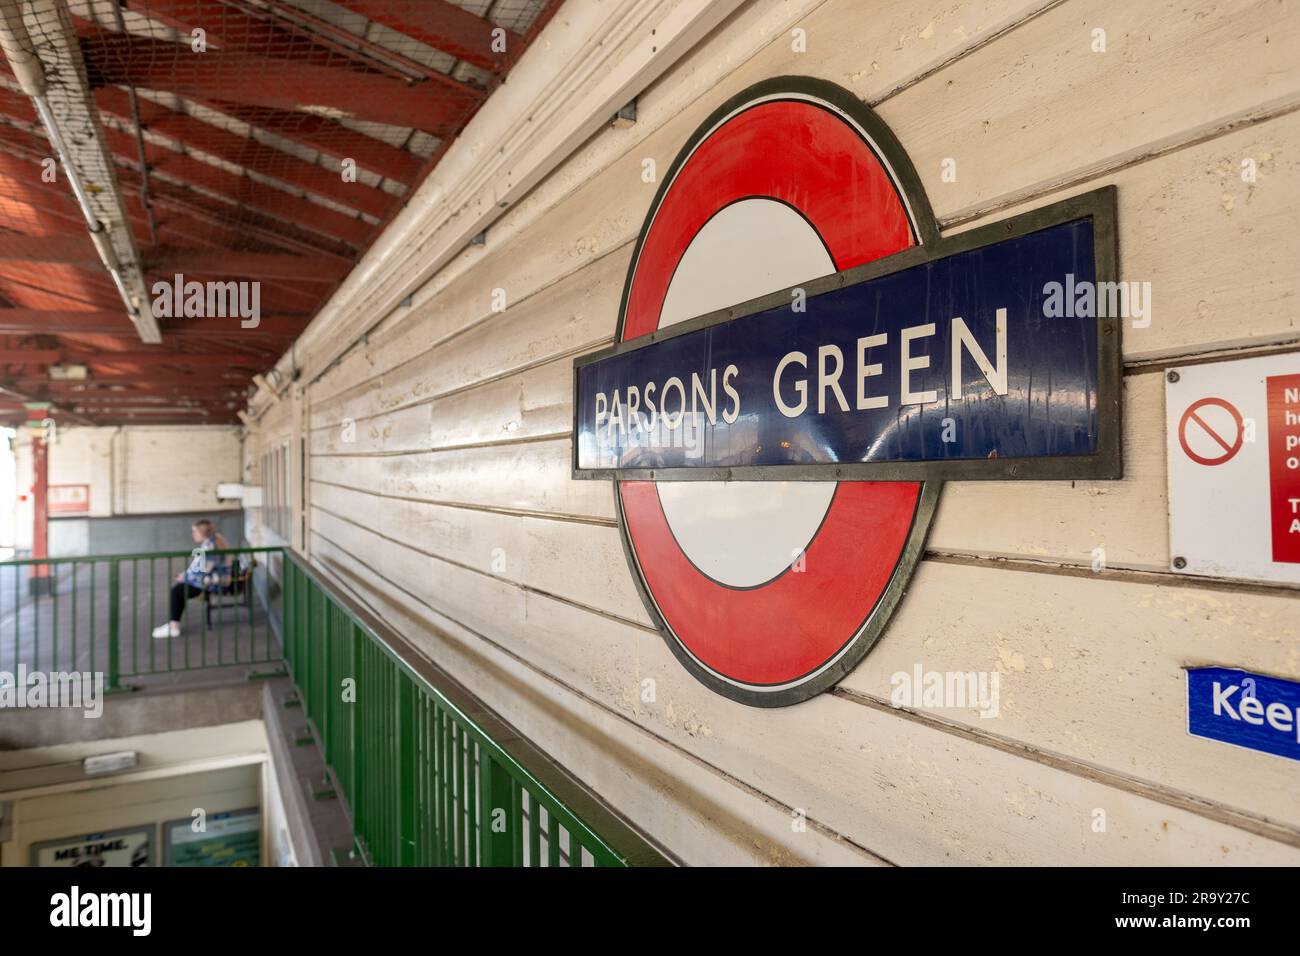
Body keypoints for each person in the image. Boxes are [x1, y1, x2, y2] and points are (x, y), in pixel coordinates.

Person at [151, 519, 230, 639]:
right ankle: (174, 625)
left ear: (202, 533)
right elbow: (199, 568)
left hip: (213, 583)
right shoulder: (211, 542)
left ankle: (174, 627)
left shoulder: (209, 547)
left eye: (195, 532)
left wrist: (185, 577)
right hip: (212, 579)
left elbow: (204, 571)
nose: (193, 535)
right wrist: (185, 575)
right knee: (179, 589)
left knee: (177, 591)